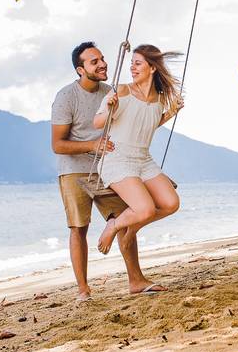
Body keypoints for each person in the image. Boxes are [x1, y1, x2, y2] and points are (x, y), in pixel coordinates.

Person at [51, 41, 166, 300]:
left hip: (111, 165)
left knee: (126, 217)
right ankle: (83, 290)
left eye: (102, 58)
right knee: (79, 228)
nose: (102, 64)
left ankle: (135, 280)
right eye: (94, 61)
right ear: (80, 70)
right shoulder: (66, 97)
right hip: (75, 169)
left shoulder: (114, 90)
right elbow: (57, 144)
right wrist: (93, 144)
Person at [93, 44, 184, 255]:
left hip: (143, 160)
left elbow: (146, 124)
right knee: (145, 209)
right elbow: (97, 123)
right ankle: (114, 225)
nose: (132, 68)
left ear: (152, 68)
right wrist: (109, 109)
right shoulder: (121, 90)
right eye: (131, 63)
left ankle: (132, 227)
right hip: (117, 159)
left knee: (171, 203)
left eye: (137, 63)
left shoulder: (160, 98)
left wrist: (171, 113)